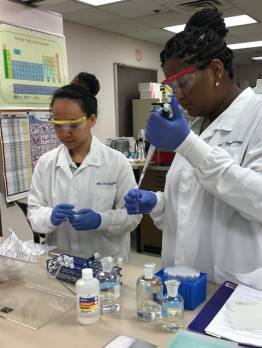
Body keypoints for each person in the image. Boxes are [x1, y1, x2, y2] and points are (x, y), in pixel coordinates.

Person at [124, 8, 262, 289]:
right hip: (180, 282)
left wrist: (187, 144)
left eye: (183, 83)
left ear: (215, 70)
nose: (178, 95)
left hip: (233, 287)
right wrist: (157, 204)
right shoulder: (197, 124)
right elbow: (189, 205)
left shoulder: (257, 115)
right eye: (171, 86)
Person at [27, 72, 141, 261]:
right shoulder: (46, 163)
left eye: (73, 124)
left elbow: (133, 216)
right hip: (61, 260)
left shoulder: (116, 162)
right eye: (57, 124)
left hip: (106, 263)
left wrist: (101, 220)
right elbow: (34, 211)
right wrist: (50, 217)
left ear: (92, 120)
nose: (65, 132)